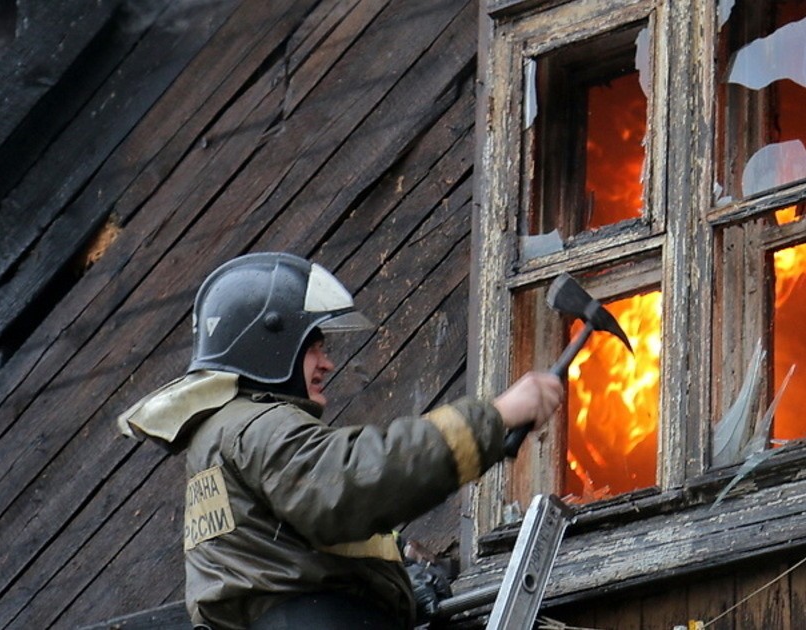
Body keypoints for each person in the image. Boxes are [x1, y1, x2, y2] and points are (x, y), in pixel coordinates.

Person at [118, 252, 562, 630]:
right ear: (268, 344)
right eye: (314, 347)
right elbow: (356, 481)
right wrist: (495, 417)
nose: (327, 363)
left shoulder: (223, 437)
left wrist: (397, 582)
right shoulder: (257, 426)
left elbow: (299, 547)